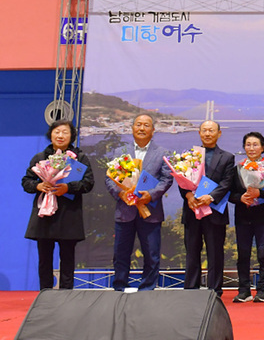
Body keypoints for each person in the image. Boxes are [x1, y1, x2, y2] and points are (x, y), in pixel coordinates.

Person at [22, 119, 95, 290]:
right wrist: (38, 186)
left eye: (65, 132)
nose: (60, 136)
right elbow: (26, 182)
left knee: (68, 258)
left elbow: (88, 183)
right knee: (44, 259)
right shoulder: (40, 158)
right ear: (51, 134)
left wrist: (68, 187)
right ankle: (45, 294)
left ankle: (66, 296)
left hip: (69, 214)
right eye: (57, 132)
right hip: (45, 215)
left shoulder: (80, 158)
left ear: (72, 136)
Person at [105, 114, 173, 291]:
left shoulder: (162, 153)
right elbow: (110, 178)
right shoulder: (120, 152)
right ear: (132, 127)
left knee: (151, 254)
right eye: (138, 125)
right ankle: (119, 287)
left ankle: (148, 289)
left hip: (151, 211)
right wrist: (121, 193)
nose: (142, 128)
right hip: (124, 210)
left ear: (153, 130)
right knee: (121, 254)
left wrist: (150, 195)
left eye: (146, 125)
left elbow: (166, 180)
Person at [181, 120, 235, 296]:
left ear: (219, 133)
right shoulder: (189, 155)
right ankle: (191, 291)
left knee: (215, 254)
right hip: (192, 209)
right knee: (192, 253)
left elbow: (227, 182)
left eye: (211, 130)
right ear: (199, 133)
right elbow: (182, 180)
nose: (207, 134)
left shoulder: (227, 157)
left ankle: (214, 291)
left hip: (214, 211)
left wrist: (210, 197)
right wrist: (189, 195)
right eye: (204, 130)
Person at [231, 132, 264, 303]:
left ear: (262, 147)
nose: (251, 148)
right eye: (248, 144)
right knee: (243, 254)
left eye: (255, 144)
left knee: (263, 253)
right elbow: (230, 194)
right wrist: (241, 198)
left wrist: (259, 193)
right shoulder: (237, 169)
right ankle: (244, 291)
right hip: (243, 216)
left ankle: (262, 290)